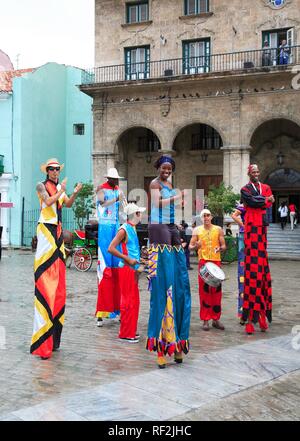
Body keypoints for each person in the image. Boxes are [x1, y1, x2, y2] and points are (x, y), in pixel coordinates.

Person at [30, 158, 82, 359]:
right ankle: (42, 340)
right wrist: (61, 190)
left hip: (58, 232)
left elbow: (66, 203)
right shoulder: (41, 186)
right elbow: (49, 201)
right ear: (47, 171)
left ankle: (54, 338)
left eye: (58, 169)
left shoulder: (60, 186)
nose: (55, 172)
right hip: (46, 230)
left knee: (59, 285)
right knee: (46, 278)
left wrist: (75, 191)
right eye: (52, 169)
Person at [147, 155, 191, 369]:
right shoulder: (154, 183)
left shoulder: (170, 184)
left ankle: (178, 344)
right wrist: (176, 198)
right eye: (164, 168)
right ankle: (162, 347)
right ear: (159, 168)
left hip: (172, 227)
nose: (166, 171)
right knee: (164, 287)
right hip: (158, 229)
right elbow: (157, 203)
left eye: (169, 168)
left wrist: (180, 204)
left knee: (180, 284)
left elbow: (171, 206)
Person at [240, 164, 274, 335]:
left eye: (257, 171)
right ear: (249, 174)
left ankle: (262, 316)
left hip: (262, 232)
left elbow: (268, 202)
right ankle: (250, 319)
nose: (256, 173)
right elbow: (253, 201)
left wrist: (263, 201)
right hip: (251, 231)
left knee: (263, 274)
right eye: (253, 171)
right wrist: (264, 200)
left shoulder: (265, 187)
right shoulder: (245, 189)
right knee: (252, 274)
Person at [108, 203, 146, 343]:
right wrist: (127, 259)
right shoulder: (123, 230)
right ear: (135, 215)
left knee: (134, 301)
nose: (141, 215)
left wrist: (138, 258)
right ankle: (125, 333)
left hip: (132, 268)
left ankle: (130, 330)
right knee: (128, 301)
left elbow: (131, 248)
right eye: (139, 213)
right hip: (126, 269)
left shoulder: (132, 228)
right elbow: (111, 248)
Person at [95, 167, 125, 327]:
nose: (117, 181)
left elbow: (122, 205)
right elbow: (102, 204)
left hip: (115, 225)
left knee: (117, 268)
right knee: (105, 268)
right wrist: (116, 199)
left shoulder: (117, 189)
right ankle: (101, 311)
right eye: (115, 179)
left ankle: (118, 309)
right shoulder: (101, 189)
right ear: (110, 179)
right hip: (105, 227)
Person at [189, 209, 226, 331]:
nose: (206, 218)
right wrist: (196, 246)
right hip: (203, 263)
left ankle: (216, 319)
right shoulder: (197, 230)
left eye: (208, 215)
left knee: (216, 292)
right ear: (201, 218)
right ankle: (205, 319)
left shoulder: (218, 229)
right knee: (204, 292)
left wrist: (219, 248)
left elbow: (224, 246)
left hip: (216, 262)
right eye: (204, 216)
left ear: (211, 216)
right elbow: (190, 247)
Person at [231, 202, 246, 322]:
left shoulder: (259, 204)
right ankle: (242, 312)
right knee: (242, 274)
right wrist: (244, 225)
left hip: (257, 236)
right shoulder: (244, 205)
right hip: (244, 235)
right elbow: (234, 215)